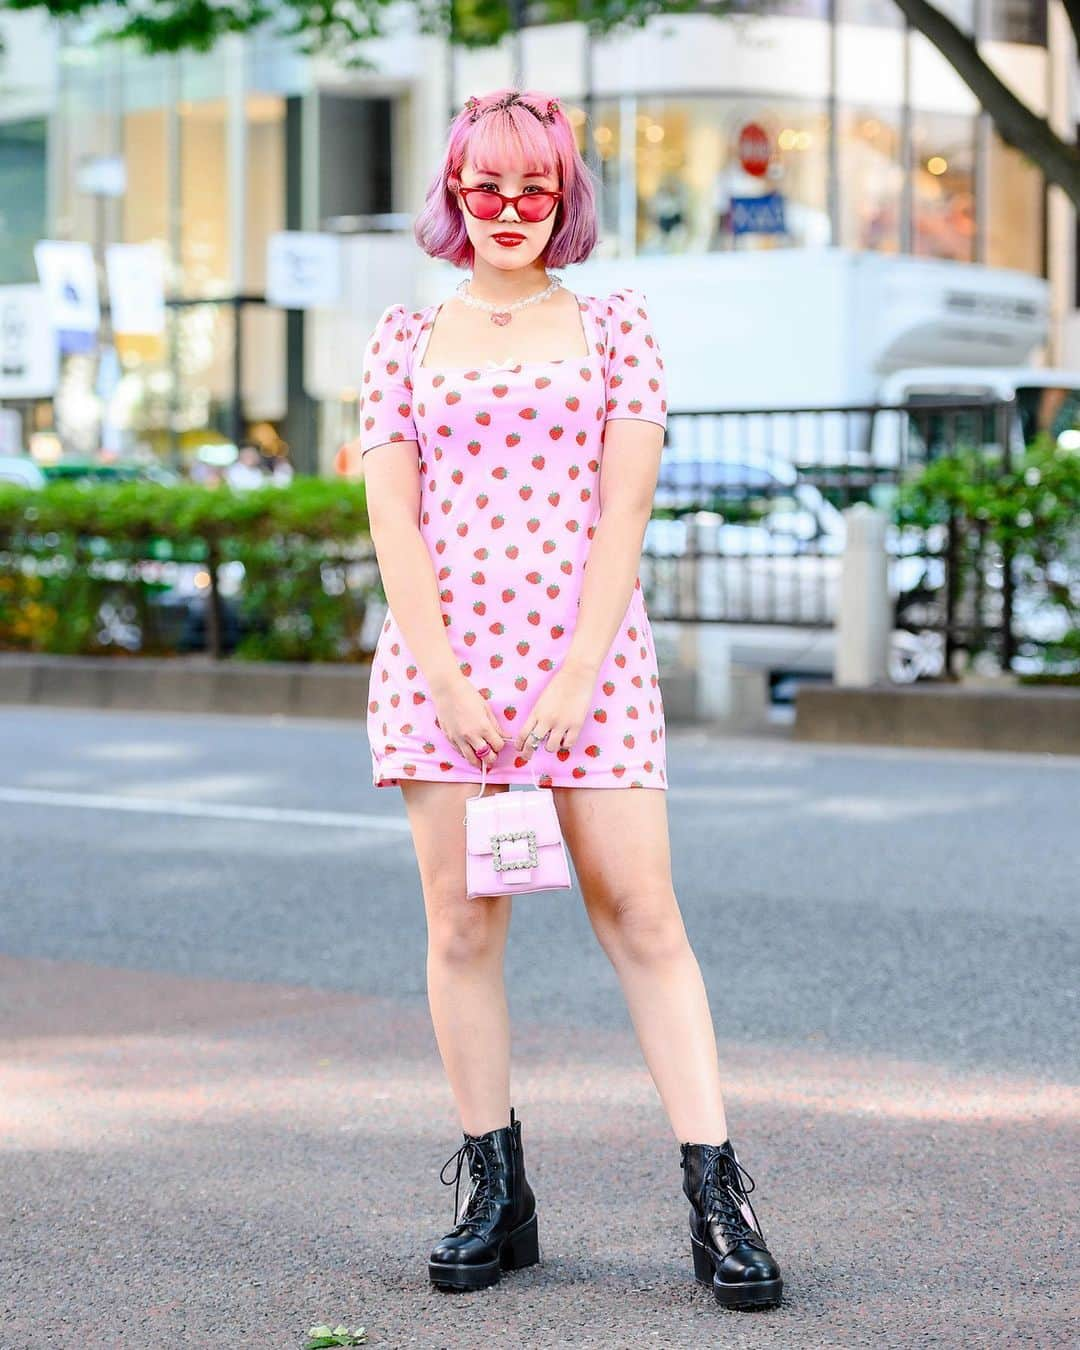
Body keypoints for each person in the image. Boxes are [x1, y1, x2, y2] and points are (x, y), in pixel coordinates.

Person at [358, 86, 783, 1313]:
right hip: (447, 673)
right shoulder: (400, 339)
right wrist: (442, 673)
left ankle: (720, 1200)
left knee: (643, 915)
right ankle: (496, 1191)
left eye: (532, 187)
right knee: (462, 926)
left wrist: (578, 670)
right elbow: (395, 519)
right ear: (453, 196)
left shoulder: (619, 327)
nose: (507, 209)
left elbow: (624, 515)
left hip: (589, 664)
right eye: (483, 187)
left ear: (564, 197)